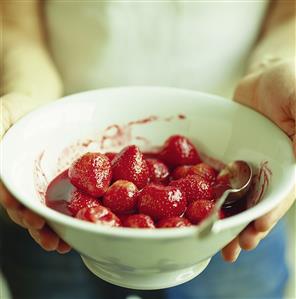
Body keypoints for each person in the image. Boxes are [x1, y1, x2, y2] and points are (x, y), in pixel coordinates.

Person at [0, 1, 295, 299]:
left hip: (230, 209)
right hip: (59, 197)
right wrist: (26, 95)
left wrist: (273, 66)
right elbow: (15, 23)